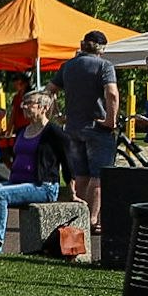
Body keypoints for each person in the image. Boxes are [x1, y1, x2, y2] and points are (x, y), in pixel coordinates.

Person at [0, 89, 71, 254]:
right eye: (23, 104)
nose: (24, 107)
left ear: (43, 107)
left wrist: (72, 189)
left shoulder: (53, 132)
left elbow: (68, 159)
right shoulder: (22, 131)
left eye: (29, 104)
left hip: (43, 186)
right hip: (17, 183)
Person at [59, 30, 120, 234]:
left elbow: (49, 90)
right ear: (102, 49)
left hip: (73, 128)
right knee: (99, 176)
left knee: (81, 174)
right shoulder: (104, 66)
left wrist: (57, 115)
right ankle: (94, 220)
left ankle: (80, 218)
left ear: (83, 44)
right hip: (96, 127)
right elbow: (111, 93)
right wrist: (110, 120)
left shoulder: (67, 66)